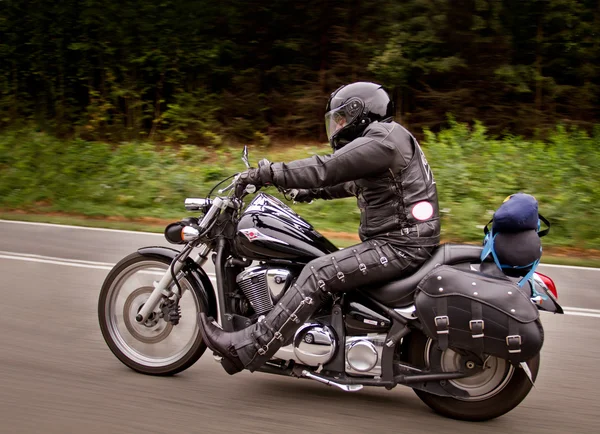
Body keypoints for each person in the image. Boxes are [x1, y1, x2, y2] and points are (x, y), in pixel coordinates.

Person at [199, 81, 440, 375]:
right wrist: (311, 192)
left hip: (398, 246)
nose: (336, 127)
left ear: (359, 113)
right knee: (319, 262)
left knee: (318, 271)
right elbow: (353, 182)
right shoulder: (389, 139)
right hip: (403, 242)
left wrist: (268, 173)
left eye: (340, 119)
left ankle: (250, 348)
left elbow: (327, 169)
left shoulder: (383, 140)